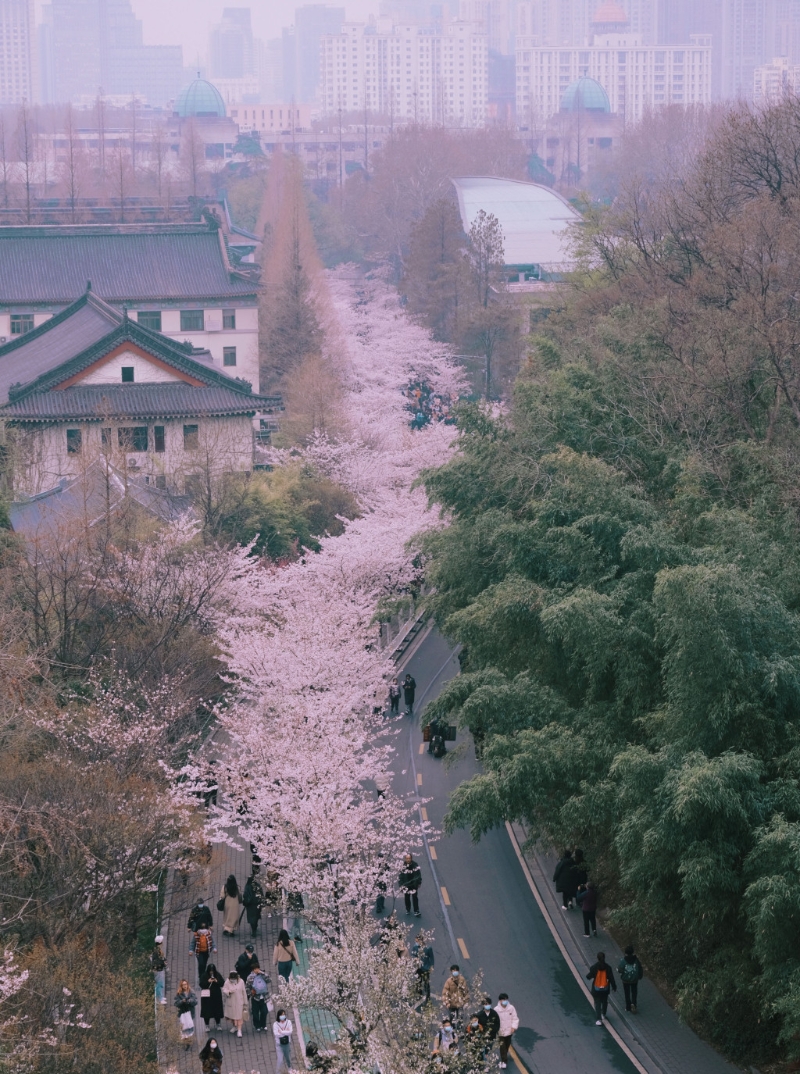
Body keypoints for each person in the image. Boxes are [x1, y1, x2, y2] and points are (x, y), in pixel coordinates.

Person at [586, 952, 617, 1025]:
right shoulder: (608, 968)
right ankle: (603, 1014)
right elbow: (611, 978)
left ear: (597, 958)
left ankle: (599, 1019)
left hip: (596, 989)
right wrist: (614, 987)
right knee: (604, 1001)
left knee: (598, 1002)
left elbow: (588, 976)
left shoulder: (594, 967)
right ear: (604, 958)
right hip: (605, 989)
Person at [494, 993, 519, 1069]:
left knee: (507, 1045)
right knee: (502, 1046)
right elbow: (494, 1021)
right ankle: (504, 1061)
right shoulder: (496, 1010)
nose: (505, 1001)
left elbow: (515, 1018)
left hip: (509, 1031)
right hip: (501, 1032)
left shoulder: (511, 1008)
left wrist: (513, 1027)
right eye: (503, 999)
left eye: (506, 999)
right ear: (500, 1001)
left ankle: (504, 1056)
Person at [221, 970, 248, 1037]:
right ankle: (235, 1026)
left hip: (239, 1002)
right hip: (231, 1002)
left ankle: (239, 1030)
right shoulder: (227, 981)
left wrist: (245, 1002)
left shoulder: (241, 981)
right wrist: (229, 992)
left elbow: (244, 992)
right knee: (233, 1016)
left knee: (239, 1017)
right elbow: (224, 989)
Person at [199, 963, 224, 1033]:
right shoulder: (204, 975)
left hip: (216, 996)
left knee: (217, 1010)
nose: (211, 972)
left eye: (212, 971)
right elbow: (201, 984)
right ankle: (207, 1025)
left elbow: (222, 983)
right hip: (207, 997)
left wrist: (216, 981)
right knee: (206, 1011)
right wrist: (208, 981)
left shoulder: (217, 974)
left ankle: (218, 1023)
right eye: (210, 971)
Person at [618, 945, 644, 1012]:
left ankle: (628, 1007)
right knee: (634, 992)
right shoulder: (636, 960)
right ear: (632, 952)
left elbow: (620, 969)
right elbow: (640, 968)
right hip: (634, 979)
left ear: (625, 952)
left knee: (627, 993)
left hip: (625, 980)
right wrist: (640, 976)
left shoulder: (623, 960)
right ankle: (634, 1004)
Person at [246, 966, 271, 1032]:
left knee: (264, 1012)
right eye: (255, 969)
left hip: (264, 997)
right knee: (255, 1013)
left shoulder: (262, 975)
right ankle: (257, 1026)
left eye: (258, 968)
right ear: (253, 970)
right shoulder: (250, 977)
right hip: (255, 998)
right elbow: (247, 987)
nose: (257, 970)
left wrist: (263, 974)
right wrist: (251, 993)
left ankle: (263, 1025)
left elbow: (269, 980)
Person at [411, 933, 435, 1001]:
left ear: (420, 940)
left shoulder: (428, 948)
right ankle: (419, 993)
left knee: (426, 982)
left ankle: (428, 996)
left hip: (426, 968)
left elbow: (431, 958)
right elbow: (413, 955)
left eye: (417, 941)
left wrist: (432, 966)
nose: (416, 942)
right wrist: (414, 958)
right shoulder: (415, 947)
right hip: (418, 967)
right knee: (418, 981)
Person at [173, 979, 197, 1043]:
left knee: (190, 1026)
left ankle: (189, 1039)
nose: (185, 986)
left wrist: (190, 1001)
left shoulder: (191, 992)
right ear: (181, 986)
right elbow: (176, 1003)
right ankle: (185, 1040)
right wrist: (182, 1001)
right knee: (184, 1027)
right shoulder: (179, 994)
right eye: (183, 985)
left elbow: (195, 1001)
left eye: (185, 984)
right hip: (182, 1013)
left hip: (190, 1013)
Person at [150, 934, 167, 1004]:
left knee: (161, 983)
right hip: (158, 969)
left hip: (159, 968)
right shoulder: (157, 951)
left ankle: (161, 996)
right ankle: (159, 999)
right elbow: (157, 961)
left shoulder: (157, 950)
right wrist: (163, 963)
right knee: (159, 984)